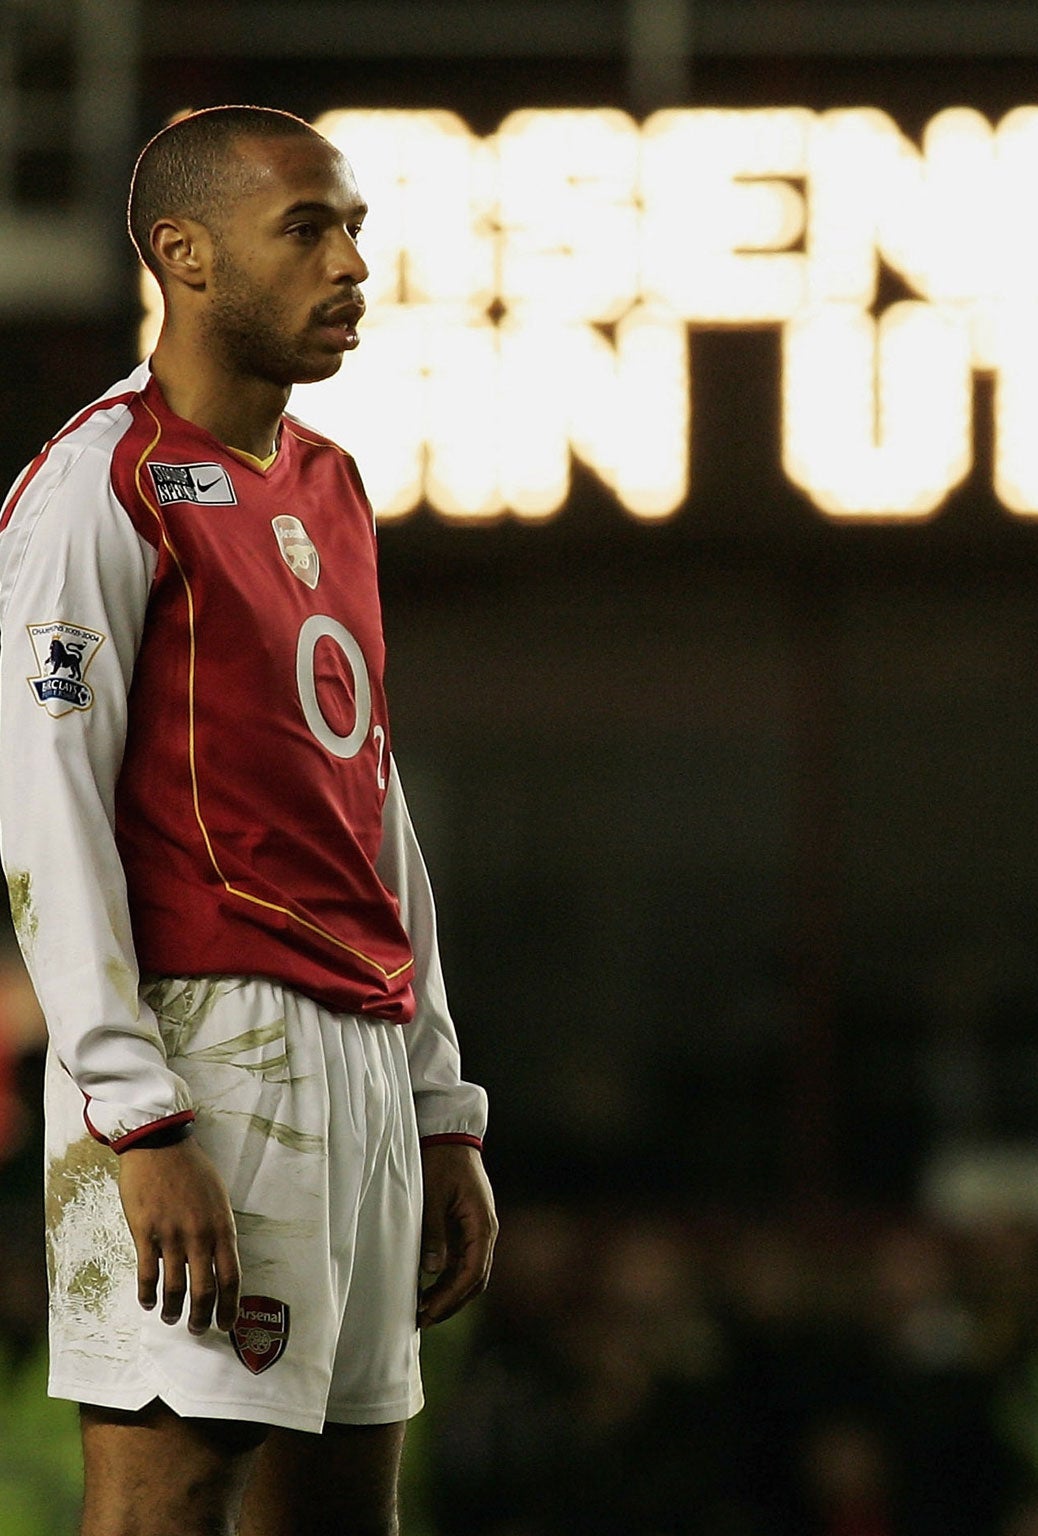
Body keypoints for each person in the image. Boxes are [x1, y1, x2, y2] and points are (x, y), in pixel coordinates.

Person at [0, 104, 495, 1534]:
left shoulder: (332, 486)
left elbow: (366, 806)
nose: (351, 265)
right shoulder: (99, 483)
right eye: (307, 230)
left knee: (345, 1511)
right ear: (186, 256)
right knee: (170, 1498)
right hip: (198, 1046)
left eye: (355, 232)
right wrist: (132, 1116)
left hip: (361, 1050)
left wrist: (439, 1102)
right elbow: (46, 807)